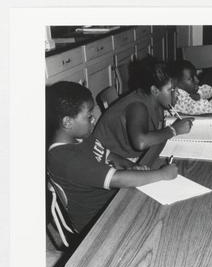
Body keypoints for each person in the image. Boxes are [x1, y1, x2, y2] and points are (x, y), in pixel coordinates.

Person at [46, 81, 178, 233]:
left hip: (112, 199)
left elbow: (107, 154)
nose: (93, 119)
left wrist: (130, 166)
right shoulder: (66, 159)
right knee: (159, 222)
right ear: (67, 122)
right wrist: (163, 174)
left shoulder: (79, 137)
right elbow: (117, 179)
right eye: (89, 116)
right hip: (98, 221)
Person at [93, 56, 194, 161]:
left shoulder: (155, 102)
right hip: (109, 160)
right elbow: (141, 143)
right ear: (155, 90)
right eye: (171, 89)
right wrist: (174, 130)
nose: (177, 93)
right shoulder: (137, 107)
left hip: (129, 156)